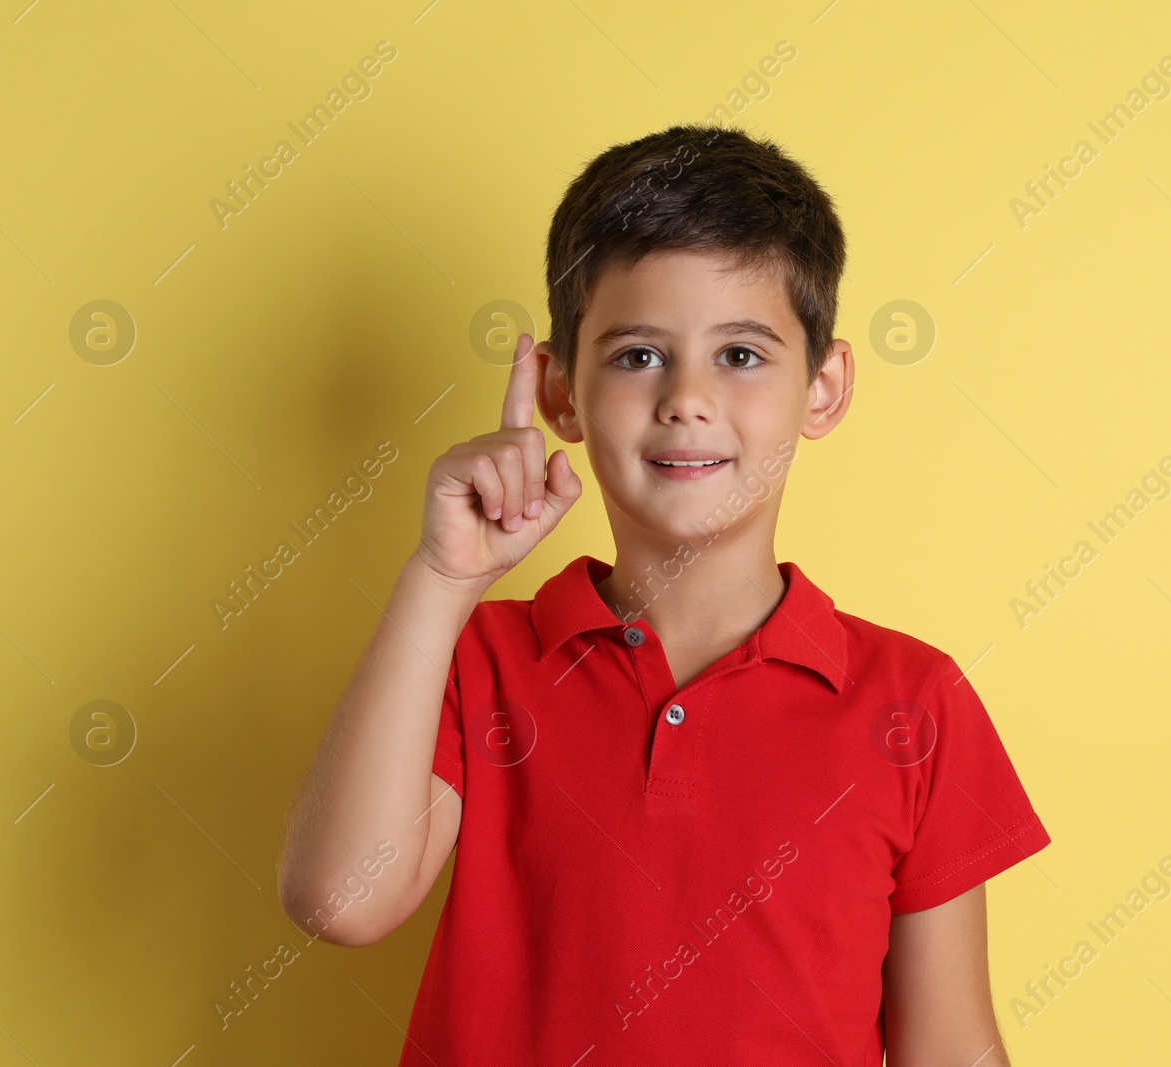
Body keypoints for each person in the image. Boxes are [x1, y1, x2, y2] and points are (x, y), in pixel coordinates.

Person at [277, 122, 1051, 1066]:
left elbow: (951, 1048)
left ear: (825, 385)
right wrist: (441, 580)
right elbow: (339, 900)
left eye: (740, 354)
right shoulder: (475, 660)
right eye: (638, 354)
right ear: (560, 393)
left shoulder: (913, 700)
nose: (686, 396)